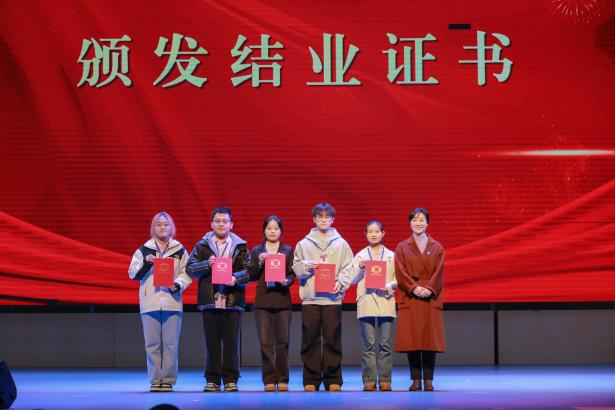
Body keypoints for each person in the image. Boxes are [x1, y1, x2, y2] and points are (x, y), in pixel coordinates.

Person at [186, 207, 252, 393]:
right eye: (218, 221)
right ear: (212, 224)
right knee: (212, 342)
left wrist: (236, 278)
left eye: (225, 221)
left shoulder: (240, 246)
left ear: (231, 224)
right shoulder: (202, 246)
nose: (221, 224)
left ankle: (231, 379)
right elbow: (190, 269)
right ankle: (212, 380)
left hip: (233, 299)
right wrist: (207, 264)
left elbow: (250, 271)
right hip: (210, 299)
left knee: (231, 342)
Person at [128, 211, 192, 392]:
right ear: (153, 228)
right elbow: (133, 274)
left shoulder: (179, 249)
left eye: (166, 224)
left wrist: (178, 284)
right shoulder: (143, 250)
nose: (162, 227)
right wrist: (146, 264)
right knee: (152, 344)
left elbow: (186, 272)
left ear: (171, 227)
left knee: (171, 345)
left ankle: (168, 380)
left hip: (172, 302)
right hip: (150, 302)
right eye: (158, 224)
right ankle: (156, 380)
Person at [293, 203, 353, 392]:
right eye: (320, 216)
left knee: (332, 340)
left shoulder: (341, 243)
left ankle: (333, 379)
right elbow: (296, 268)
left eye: (327, 217)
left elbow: (349, 267)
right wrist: (306, 266)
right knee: (310, 340)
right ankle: (311, 379)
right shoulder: (303, 244)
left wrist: (341, 282)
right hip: (310, 299)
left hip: (332, 299)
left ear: (333, 219)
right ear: (314, 219)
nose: (323, 220)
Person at [394, 208, 446, 391]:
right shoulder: (402, 247)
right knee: (413, 340)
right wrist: (414, 288)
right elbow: (400, 272)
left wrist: (429, 289)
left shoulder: (437, 247)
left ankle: (429, 379)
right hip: (411, 295)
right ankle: (415, 379)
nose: (418, 223)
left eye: (422, 220)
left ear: (427, 223)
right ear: (410, 223)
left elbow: (439, 272)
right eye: (415, 220)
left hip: (430, 296)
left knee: (429, 341)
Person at [348, 220, 397, 391]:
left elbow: (399, 278)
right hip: (367, 301)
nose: (374, 234)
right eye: (370, 231)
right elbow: (352, 280)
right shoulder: (360, 256)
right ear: (365, 234)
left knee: (385, 343)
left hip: (386, 300)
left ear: (383, 233)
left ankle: (385, 380)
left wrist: (388, 286)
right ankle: (369, 380)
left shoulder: (391, 255)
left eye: (377, 231)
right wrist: (360, 268)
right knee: (368, 344)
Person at [249, 215, 296, 392]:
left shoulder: (287, 250)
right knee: (265, 343)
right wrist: (260, 262)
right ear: (264, 230)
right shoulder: (256, 251)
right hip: (263, 301)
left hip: (282, 301)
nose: (272, 231)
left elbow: (292, 274)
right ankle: (269, 379)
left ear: (281, 231)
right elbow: (252, 275)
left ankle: (282, 379)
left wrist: (287, 281)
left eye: (276, 228)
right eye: (269, 228)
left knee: (283, 343)